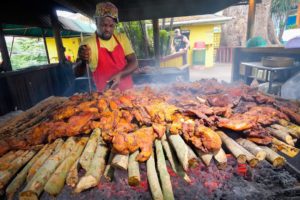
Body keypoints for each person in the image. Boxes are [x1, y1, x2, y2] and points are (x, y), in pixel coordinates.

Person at [73, 2, 138, 91]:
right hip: (104, 98)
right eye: (104, 25)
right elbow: (77, 73)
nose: (108, 29)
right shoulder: (88, 44)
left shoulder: (121, 38)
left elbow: (134, 63)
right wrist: (83, 61)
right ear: (96, 21)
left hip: (129, 94)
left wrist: (120, 75)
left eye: (111, 26)